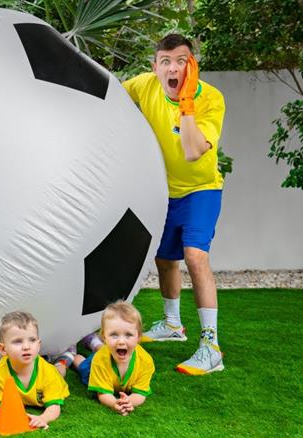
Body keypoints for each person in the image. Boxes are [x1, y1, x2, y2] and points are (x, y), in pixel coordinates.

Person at [122, 33, 226, 375]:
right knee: (165, 259)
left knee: (195, 257)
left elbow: (193, 151)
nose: (172, 68)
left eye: (181, 61)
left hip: (201, 189)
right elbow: (109, 95)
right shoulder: (145, 85)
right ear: (155, 66)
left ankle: (211, 347)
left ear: (192, 66)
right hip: (162, 190)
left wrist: (187, 102)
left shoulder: (211, 99)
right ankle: (172, 325)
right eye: (165, 61)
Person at [71, 301, 154, 416]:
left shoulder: (145, 361)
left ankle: (92, 341)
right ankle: (75, 355)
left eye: (128, 335)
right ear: (104, 337)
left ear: (138, 337)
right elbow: (103, 393)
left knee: (100, 352)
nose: (121, 341)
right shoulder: (99, 361)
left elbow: (140, 393)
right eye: (114, 335)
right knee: (82, 367)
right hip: (96, 365)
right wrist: (114, 403)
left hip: (108, 354)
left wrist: (129, 402)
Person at [0, 311, 69, 430]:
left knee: (60, 372)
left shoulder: (48, 374)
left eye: (32, 340)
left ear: (39, 344)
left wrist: (43, 418)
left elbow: (54, 406)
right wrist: (0, 413)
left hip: (53, 375)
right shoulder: (0, 373)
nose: (27, 346)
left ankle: (64, 360)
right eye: (18, 341)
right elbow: (2, 403)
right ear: (3, 349)